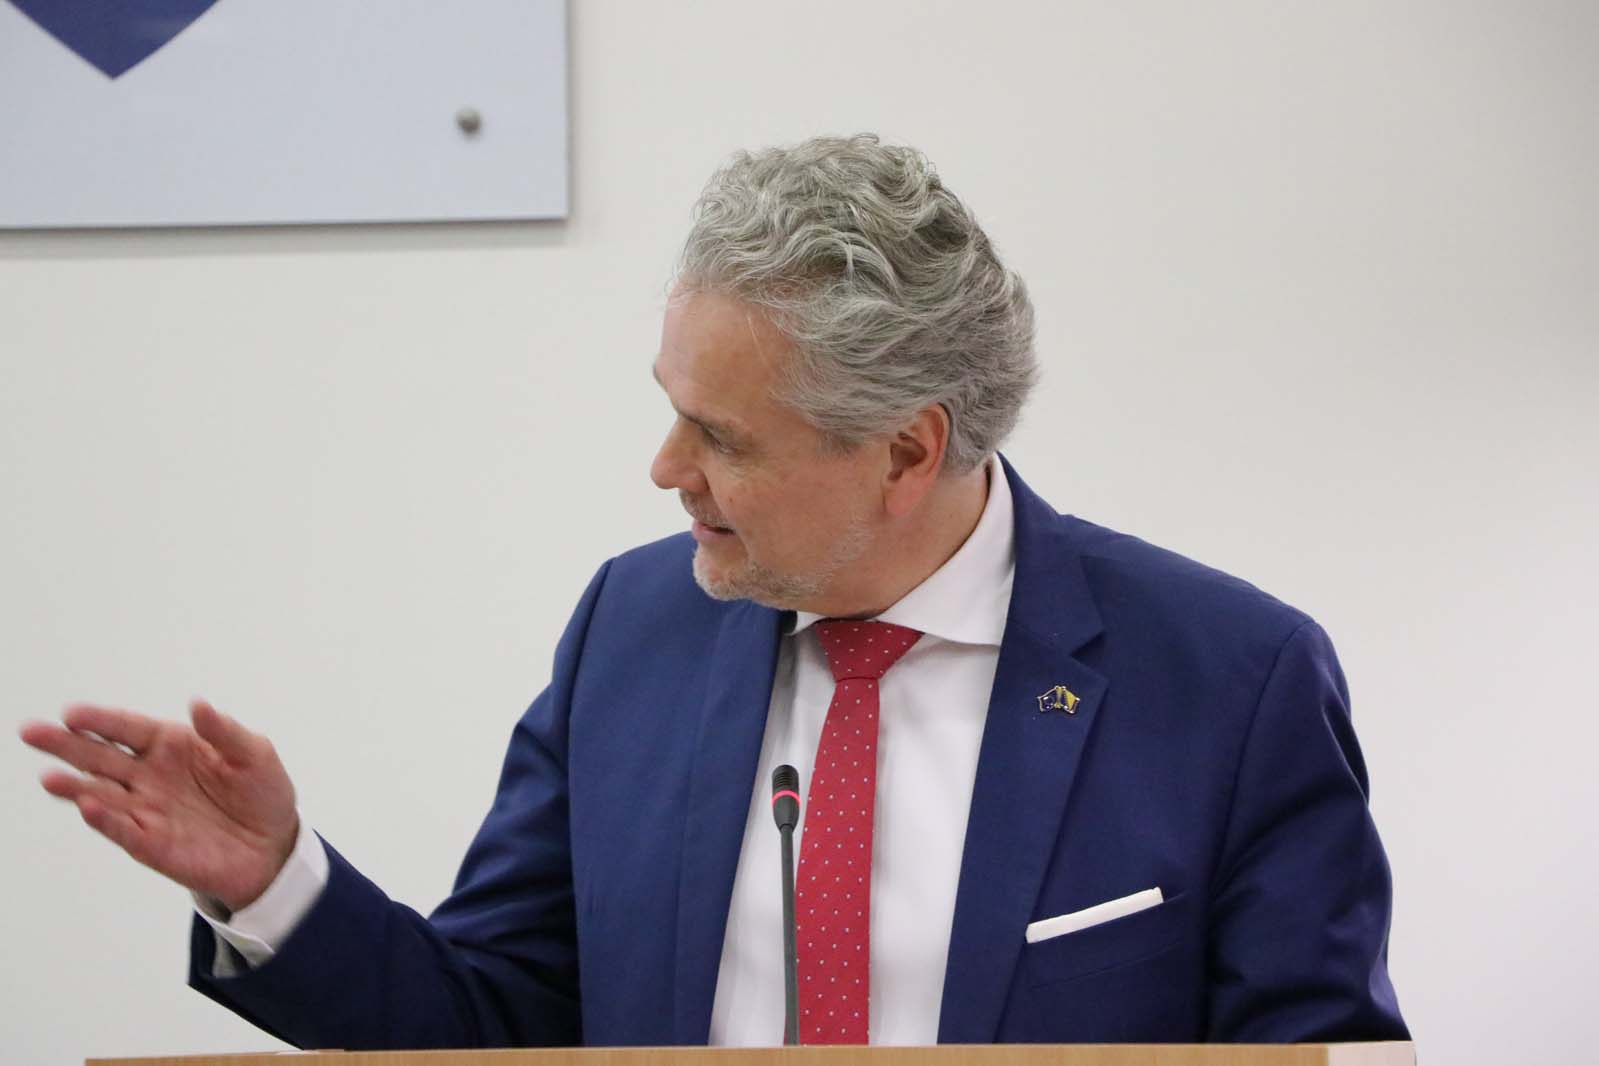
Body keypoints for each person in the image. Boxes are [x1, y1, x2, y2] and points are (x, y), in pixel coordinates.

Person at [19, 134, 1408, 1048]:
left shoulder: (1230, 680)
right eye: (673, 408)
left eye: (724, 438)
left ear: (906, 451)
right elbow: (496, 1023)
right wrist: (277, 885)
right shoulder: (634, 635)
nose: (666, 468)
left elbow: (1314, 1051)